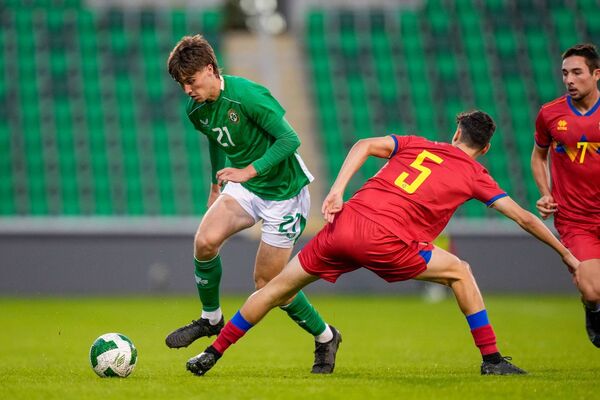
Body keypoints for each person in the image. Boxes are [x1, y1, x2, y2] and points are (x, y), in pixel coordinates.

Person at [185, 110, 579, 376]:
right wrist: (565, 252)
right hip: (387, 241)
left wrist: (338, 190)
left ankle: (212, 352)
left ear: (456, 134)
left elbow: (363, 144)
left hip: (344, 224)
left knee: (273, 290)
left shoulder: (417, 144)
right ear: (485, 148)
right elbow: (525, 217)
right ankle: (492, 359)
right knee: (461, 272)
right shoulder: (477, 174)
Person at [165, 34, 340, 373]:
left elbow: (291, 139)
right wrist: (216, 185)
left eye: (191, 80)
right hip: (245, 187)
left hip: (284, 194)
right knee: (204, 241)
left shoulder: (247, 96)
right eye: (181, 84)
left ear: (211, 69)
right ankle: (211, 319)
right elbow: (215, 139)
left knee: (268, 285)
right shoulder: (196, 110)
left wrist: (248, 170)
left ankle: (325, 336)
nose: (187, 89)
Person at [531, 43, 600, 347]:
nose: (569, 79)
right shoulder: (550, 114)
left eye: (577, 72)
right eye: (565, 73)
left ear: (596, 74)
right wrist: (545, 193)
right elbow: (538, 157)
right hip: (576, 219)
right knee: (593, 289)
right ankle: (593, 307)